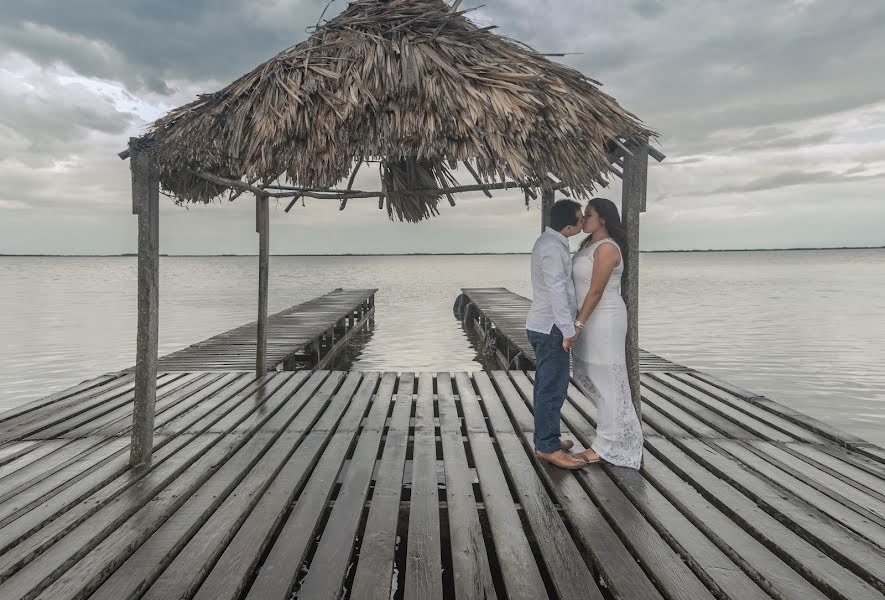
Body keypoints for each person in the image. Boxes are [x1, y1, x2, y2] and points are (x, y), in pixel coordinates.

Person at [570, 198, 643, 469]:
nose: (583, 219)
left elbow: (597, 291)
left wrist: (577, 324)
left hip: (604, 320)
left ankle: (605, 446)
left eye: (588, 215)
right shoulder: (587, 245)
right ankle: (611, 436)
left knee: (609, 379)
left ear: (603, 219)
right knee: (590, 375)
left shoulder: (608, 248)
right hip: (587, 318)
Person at [526, 199, 592, 469]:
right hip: (551, 327)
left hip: (543, 324)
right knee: (553, 389)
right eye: (580, 219)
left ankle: (546, 438)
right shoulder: (552, 248)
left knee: (546, 386)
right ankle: (548, 447)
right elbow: (557, 292)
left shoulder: (552, 242)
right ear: (568, 226)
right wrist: (569, 330)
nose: (583, 223)